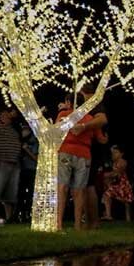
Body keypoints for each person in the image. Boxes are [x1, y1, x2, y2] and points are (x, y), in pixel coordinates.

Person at [55, 94, 106, 230]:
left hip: (65, 152)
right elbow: (101, 139)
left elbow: (56, 132)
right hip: (84, 155)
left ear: (69, 102)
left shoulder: (63, 114)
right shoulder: (90, 118)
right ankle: (77, 225)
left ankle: (59, 224)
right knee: (79, 190)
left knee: (62, 187)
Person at [102, 145, 134, 222]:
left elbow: (117, 173)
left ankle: (128, 217)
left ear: (121, 154)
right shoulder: (114, 163)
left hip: (122, 185)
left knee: (126, 201)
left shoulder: (122, 162)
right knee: (107, 195)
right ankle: (108, 215)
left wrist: (106, 174)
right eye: (112, 153)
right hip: (116, 184)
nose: (113, 154)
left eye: (115, 152)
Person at [17, 121, 38, 223]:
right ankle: (20, 214)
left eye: (25, 129)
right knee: (20, 194)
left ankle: (28, 214)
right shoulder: (20, 140)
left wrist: (27, 150)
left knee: (30, 194)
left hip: (31, 170)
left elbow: (36, 158)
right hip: (21, 169)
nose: (23, 131)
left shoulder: (34, 142)